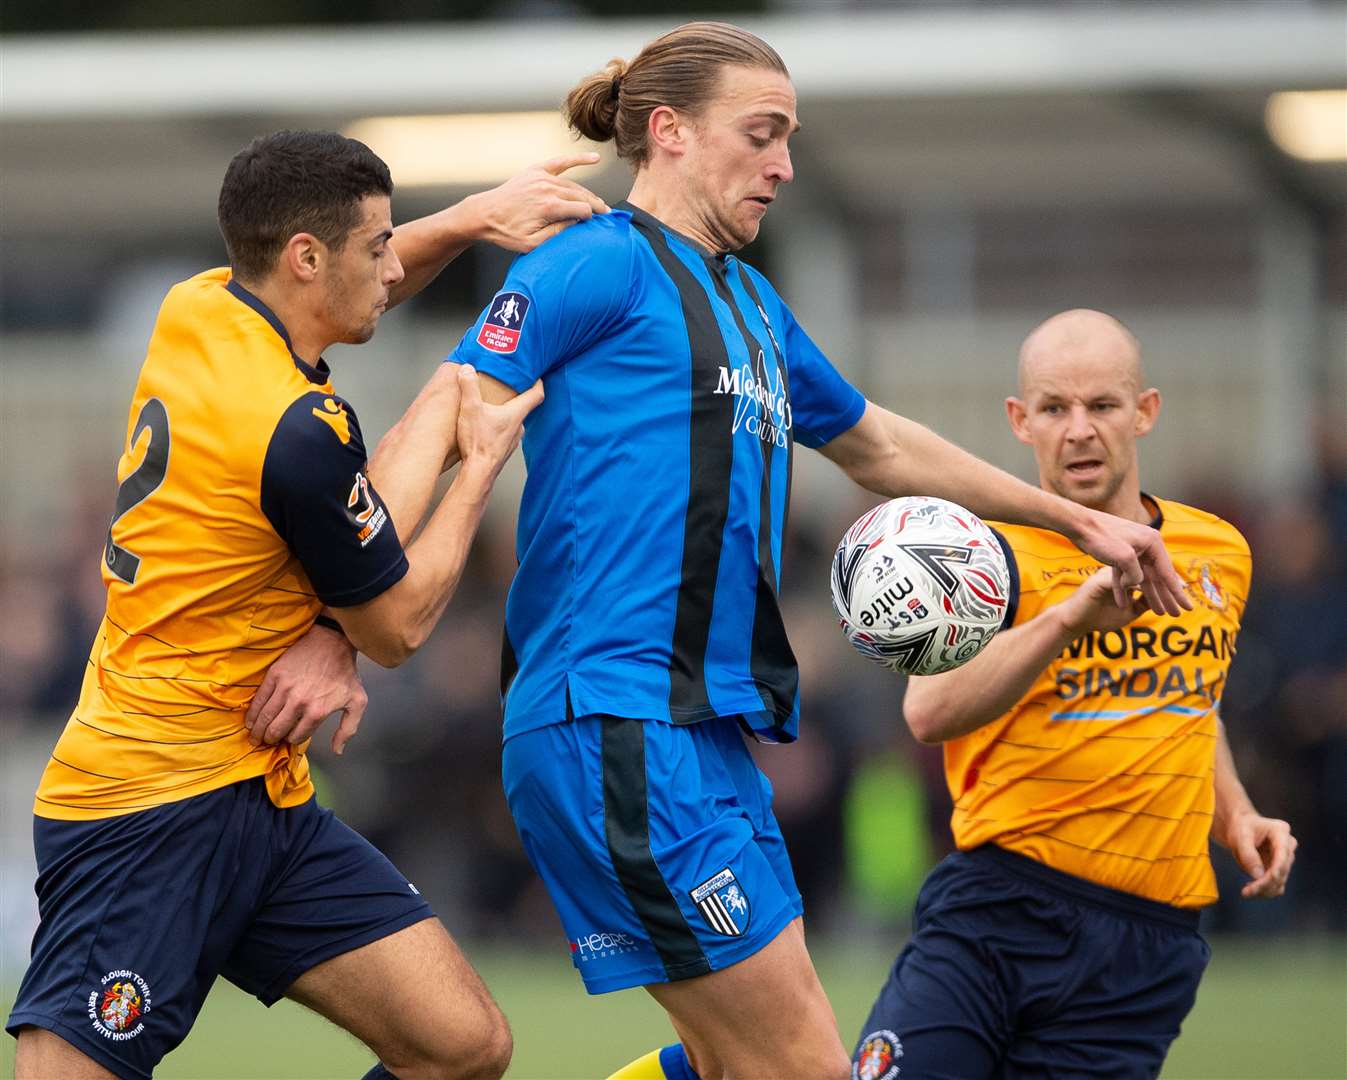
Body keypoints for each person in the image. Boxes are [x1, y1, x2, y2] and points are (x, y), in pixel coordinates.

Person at [445, 23, 1190, 1080]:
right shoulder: (594, 262)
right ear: (669, 134)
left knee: (726, 1061)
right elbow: (448, 410)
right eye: (763, 135)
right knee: (799, 1068)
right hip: (612, 718)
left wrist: (1073, 519)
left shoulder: (753, 306)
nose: (786, 164)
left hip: (706, 736)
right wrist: (341, 622)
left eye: (790, 137)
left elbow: (877, 444)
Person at [6, 129, 606, 1080]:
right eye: (378, 245)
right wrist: (481, 469)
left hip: (263, 794)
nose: (391, 263)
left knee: (461, 1048)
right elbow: (400, 626)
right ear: (305, 258)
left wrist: (475, 218)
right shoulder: (296, 432)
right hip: (147, 801)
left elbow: (353, 290)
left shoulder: (197, 307)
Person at [851, 309, 1298, 1080]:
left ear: (1145, 411)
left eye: (1102, 406)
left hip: (1146, 943)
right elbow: (927, 713)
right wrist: (1068, 617)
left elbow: (1190, 699)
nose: (1078, 430)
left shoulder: (1217, 551)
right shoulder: (985, 555)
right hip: (1000, 910)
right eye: (1054, 409)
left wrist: (1236, 813)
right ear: (1019, 422)